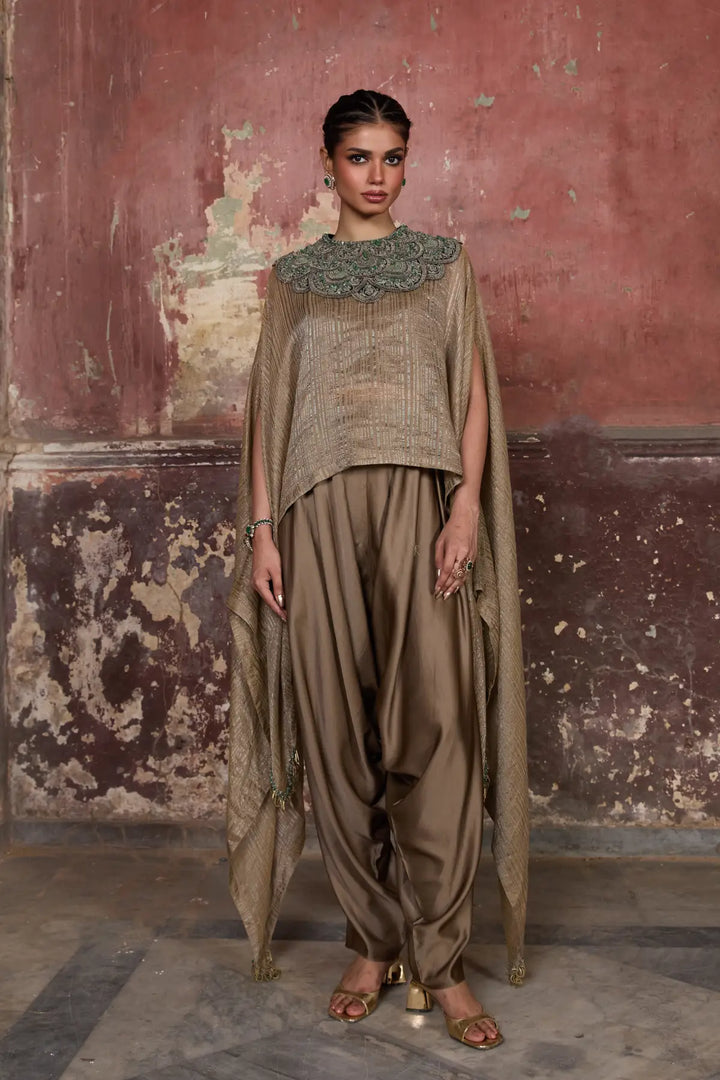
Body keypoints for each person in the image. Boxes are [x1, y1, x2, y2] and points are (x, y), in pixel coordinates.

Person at [226, 89, 529, 1051]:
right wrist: (264, 532)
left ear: (408, 164)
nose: (377, 175)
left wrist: (467, 505)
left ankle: (441, 959)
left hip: (420, 506)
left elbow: (470, 389)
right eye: (359, 157)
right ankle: (370, 939)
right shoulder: (295, 280)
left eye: (392, 157)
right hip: (314, 513)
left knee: (434, 728)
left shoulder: (444, 267)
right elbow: (272, 413)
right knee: (336, 735)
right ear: (326, 164)